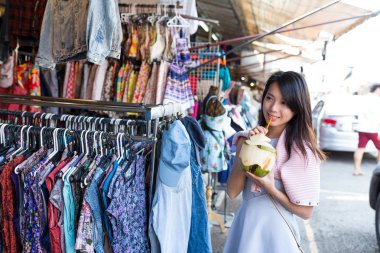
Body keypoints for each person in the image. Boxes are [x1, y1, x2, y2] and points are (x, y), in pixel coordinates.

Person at [223, 71, 326, 253]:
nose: (273, 108)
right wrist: (247, 147)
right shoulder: (245, 139)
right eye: (269, 98)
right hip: (246, 227)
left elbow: (306, 212)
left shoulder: (301, 150)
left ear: (297, 107)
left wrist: (270, 188)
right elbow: (232, 192)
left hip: (278, 236)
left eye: (284, 103)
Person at [353, 84, 380, 176]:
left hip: (362, 128)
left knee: (360, 148)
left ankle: (357, 170)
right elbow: (378, 117)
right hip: (373, 129)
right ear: (378, 89)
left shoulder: (364, 98)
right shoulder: (376, 100)